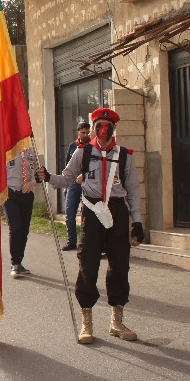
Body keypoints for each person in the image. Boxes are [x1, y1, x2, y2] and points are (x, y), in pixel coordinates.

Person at [37, 107, 142, 344]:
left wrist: (137, 222)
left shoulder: (124, 155)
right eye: (99, 126)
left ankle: (117, 322)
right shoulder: (83, 153)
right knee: (88, 264)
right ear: (93, 129)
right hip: (93, 211)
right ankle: (87, 323)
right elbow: (66, 178)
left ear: (114, 129)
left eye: (108, 126)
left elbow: (134, 191)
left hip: (117, 211)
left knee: (120, 266)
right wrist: (48, 177)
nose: (103, 130)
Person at [4, 149, 37, 278]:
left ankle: (19, 260)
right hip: (10, 194)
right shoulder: (6, 151)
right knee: (15, 227)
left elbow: (38, 173)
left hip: (26, 194)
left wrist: (32, 183)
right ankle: (15, 263)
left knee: (24, 229)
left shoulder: (30, 152)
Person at [63, 122, 92, 251]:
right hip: (73, 184)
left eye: (87, 132)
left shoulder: (93, 146)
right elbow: (68, 166)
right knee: (69, 213)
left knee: (87, 215)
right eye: (83, 132)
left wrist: (84, 175)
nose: (85, 135)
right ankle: (71, 241)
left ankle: (87, 243)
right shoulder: (72, 146)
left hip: (88, 184)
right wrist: (65, 185)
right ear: (78, 133)